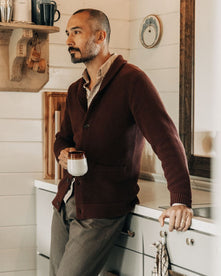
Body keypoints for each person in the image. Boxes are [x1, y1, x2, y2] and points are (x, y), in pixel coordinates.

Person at [50, 8, 193, 276]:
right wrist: (63, 152)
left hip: (102, 208)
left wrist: (180, 199)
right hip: (66, 202)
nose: (68, 41)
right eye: (68, 33)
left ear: (100, 36)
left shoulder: (132, 81)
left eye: (76, 32)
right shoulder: (75, 90)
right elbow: (62, 138)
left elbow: (167, 140)